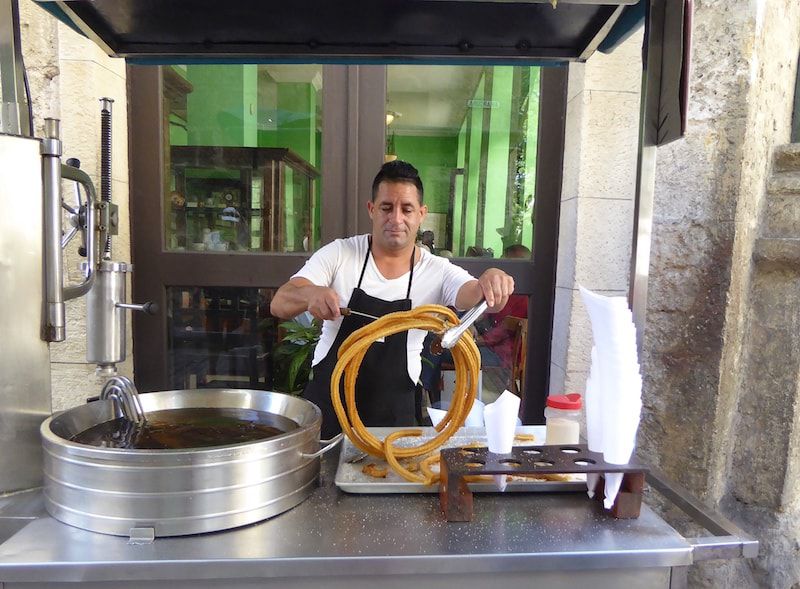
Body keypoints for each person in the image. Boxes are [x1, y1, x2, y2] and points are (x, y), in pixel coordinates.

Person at [270, 160, 515, 438]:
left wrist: (491, 279)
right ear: (371, 210)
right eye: (386, 207)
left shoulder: (437, 270)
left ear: (421, 214)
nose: (396, 219)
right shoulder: (339, 254)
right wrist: (310, 293)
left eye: (407, 209)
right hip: (330, 406)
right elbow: (279, 303)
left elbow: (475, 294)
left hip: (395, 411)